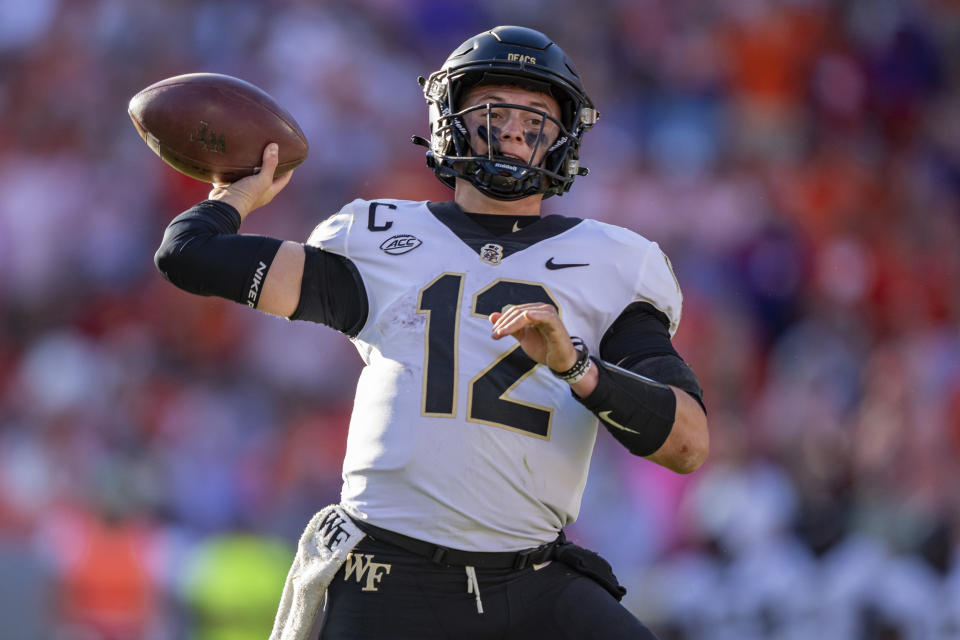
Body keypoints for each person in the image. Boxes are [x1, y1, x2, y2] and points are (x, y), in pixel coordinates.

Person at [155, 25, 708, 640]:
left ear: (564, 138)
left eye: (536, 119)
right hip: (390, 576)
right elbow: (189, 254)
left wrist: (577, 367)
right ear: (451, 122)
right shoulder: (376, 236)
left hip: (533, 581)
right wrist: (238, 192)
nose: (514, 133)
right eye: (493, 114)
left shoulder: (612, 261)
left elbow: (686, 444)